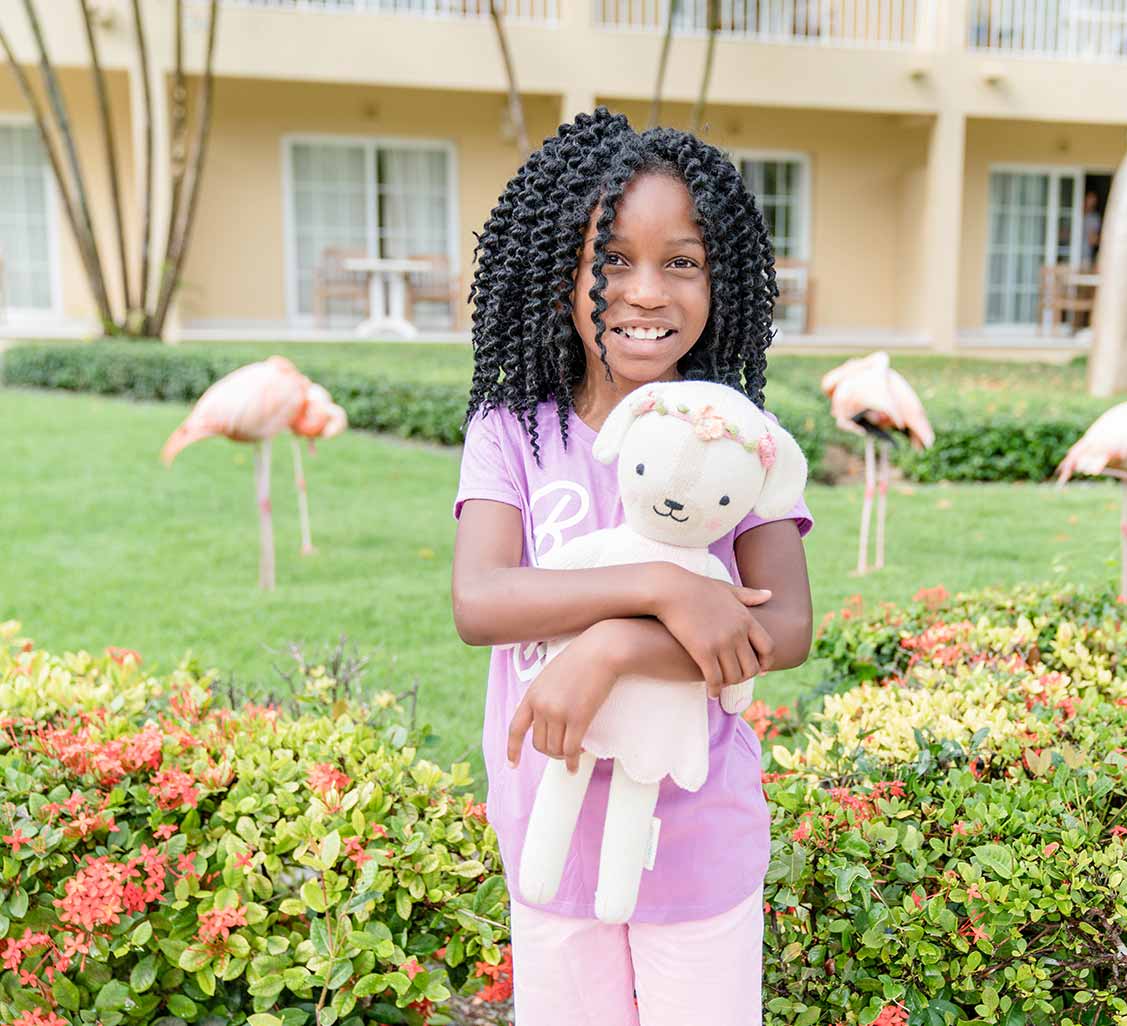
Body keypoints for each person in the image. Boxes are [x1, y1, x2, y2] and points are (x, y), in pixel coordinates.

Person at [449, 106, 814, 1026]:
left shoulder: (744, 441)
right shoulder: (514, 433)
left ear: (717, 278)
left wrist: (609, 648)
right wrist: (661, 592)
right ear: (560, 275)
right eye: (612, 261)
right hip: (549, 835)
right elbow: (482, 598)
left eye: (680, 262)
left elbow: (785, 628)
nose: (647, 291)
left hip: (698, 843)